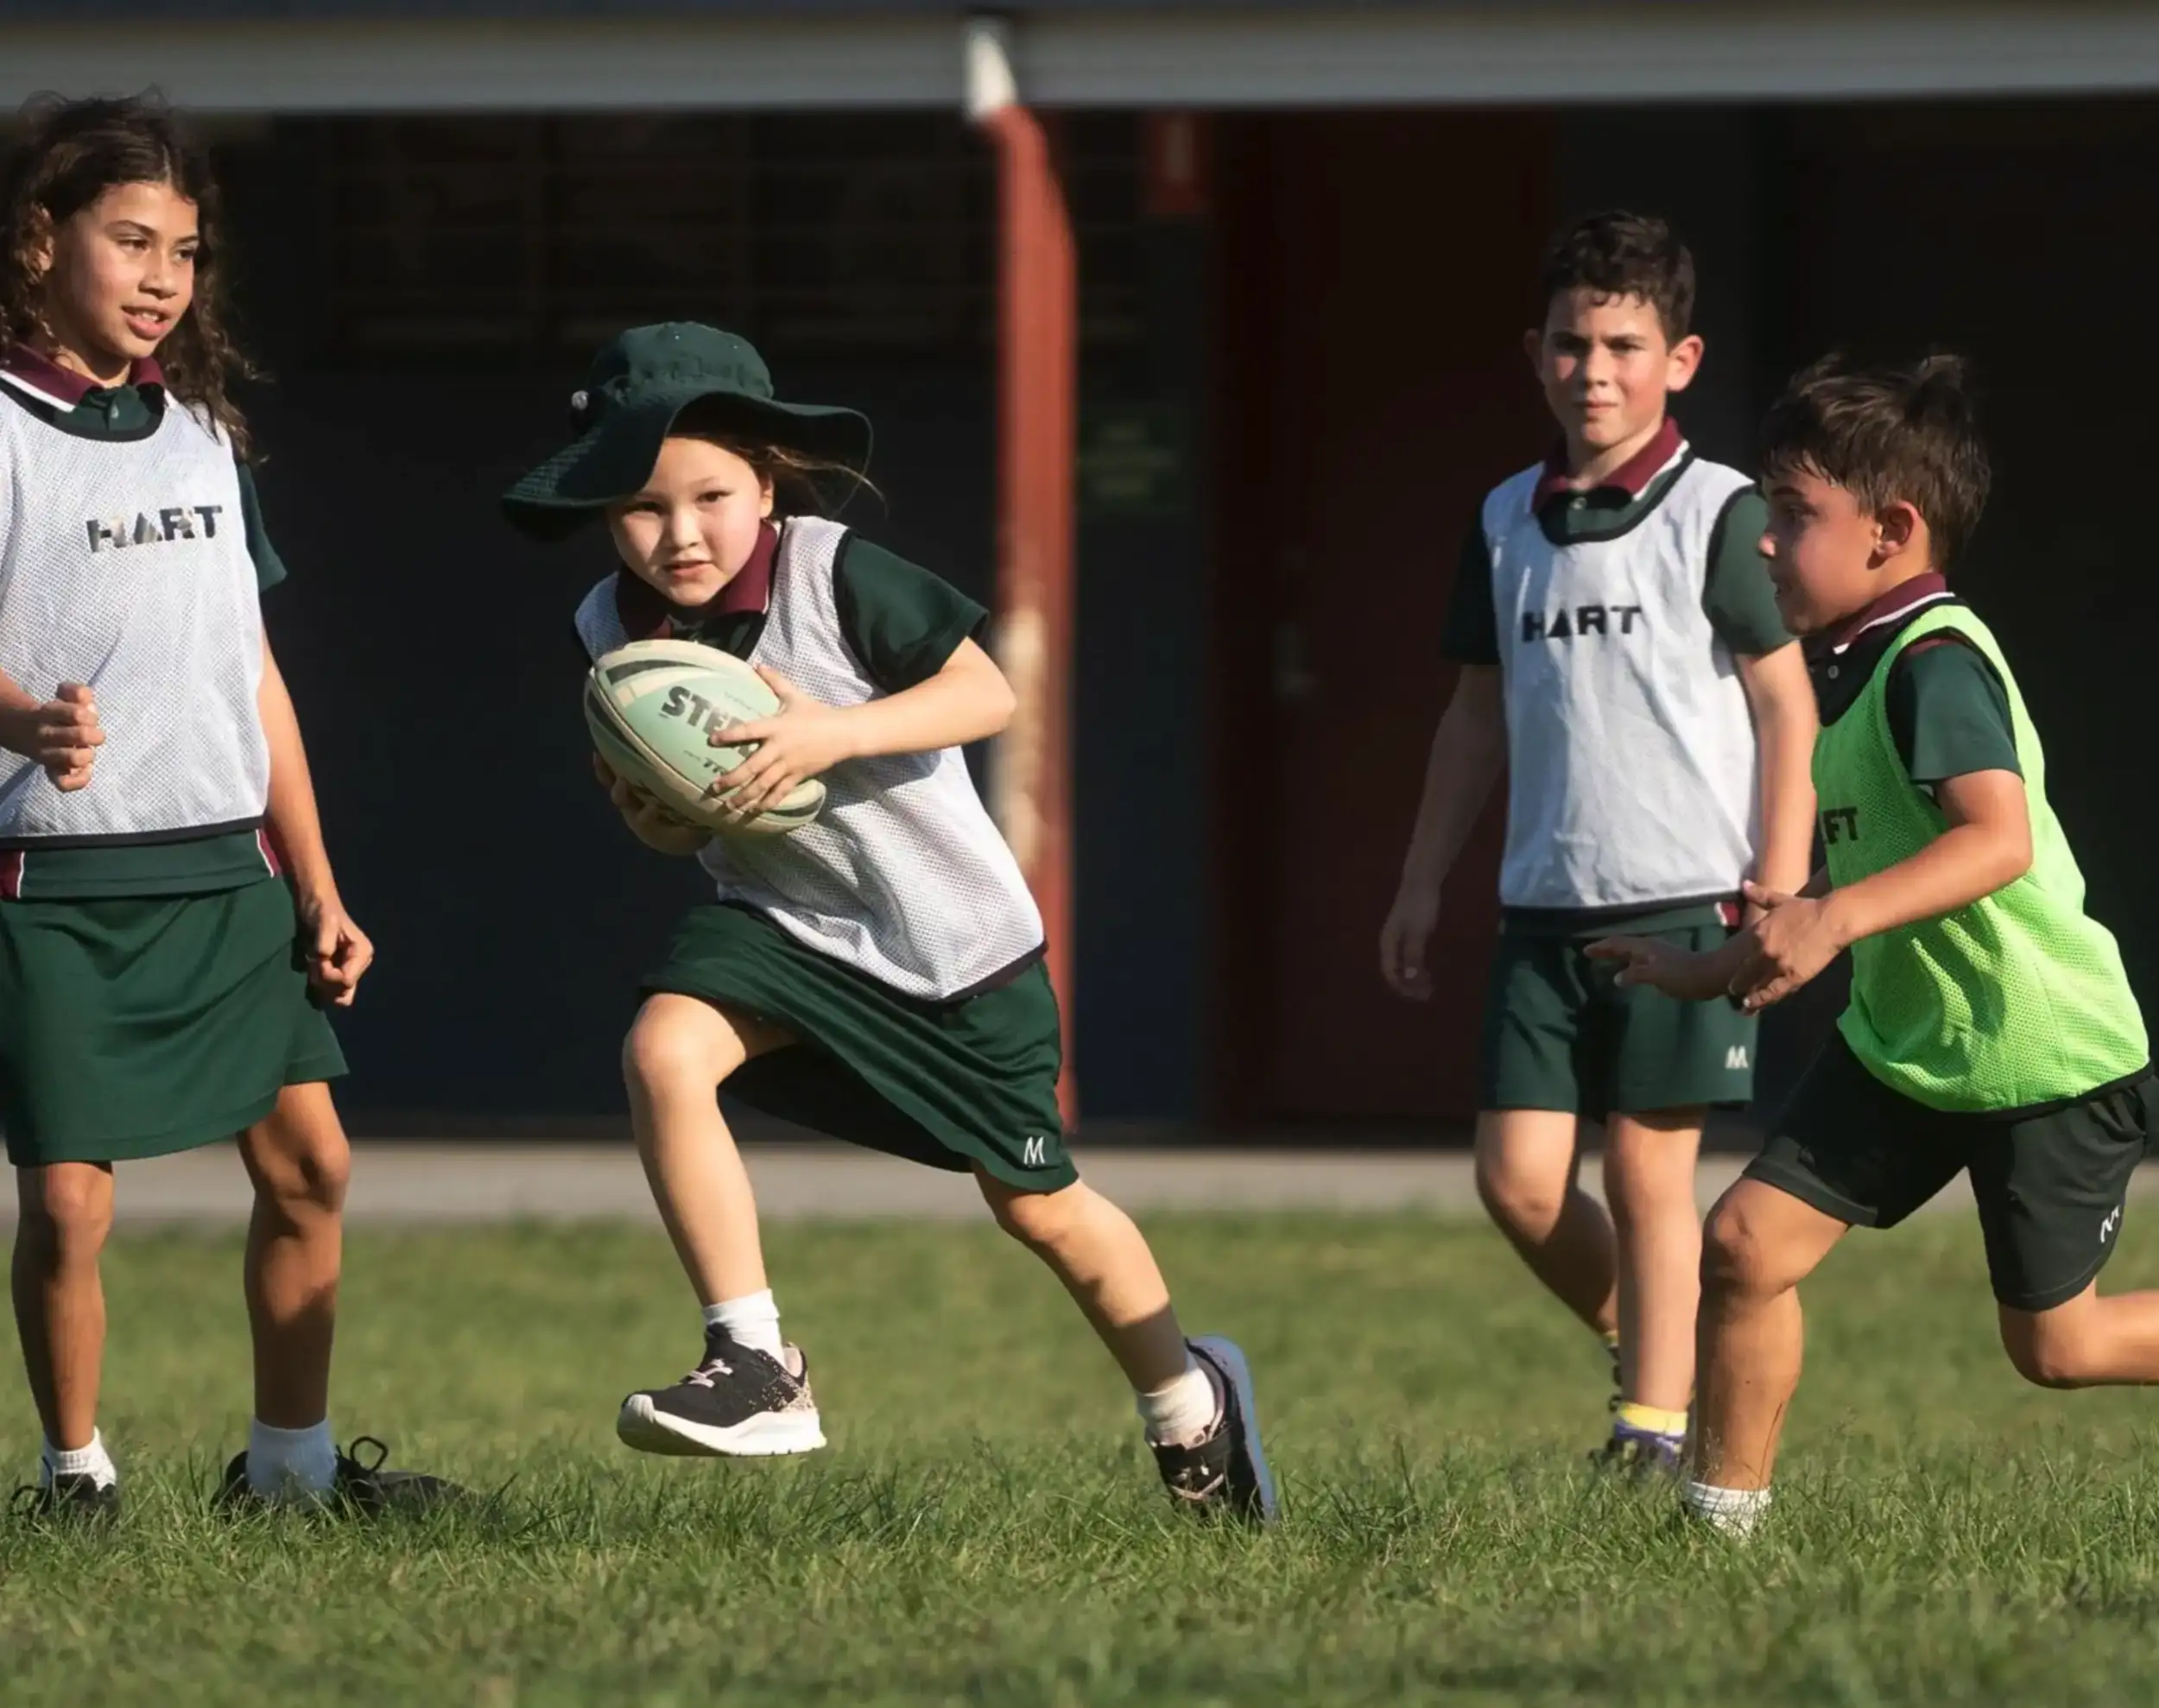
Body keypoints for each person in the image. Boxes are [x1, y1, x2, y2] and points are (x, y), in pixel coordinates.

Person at [503, 322, 1274, 1522]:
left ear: (766, 481)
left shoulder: (834, 571)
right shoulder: (611, 633)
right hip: (783, 926)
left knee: (1040, 1209)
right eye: (644, 509)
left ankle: (1190, 1407)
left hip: (954, 953)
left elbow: (990, 688)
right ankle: (754, 1359)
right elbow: (678, 828)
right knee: (663, 1047)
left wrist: (829, 730)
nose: (681, 533)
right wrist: (654, 814)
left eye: (712, 496)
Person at [1593, 354, 2158, 1537]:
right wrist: (1702, 965)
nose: (1762, 541)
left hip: (2038, 1052)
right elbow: (1821, 899)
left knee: (2059, 1347)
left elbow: (1995, 841)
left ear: (1892, 531)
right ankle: (1718, 1526)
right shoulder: (1844, 669)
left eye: (1793, 515)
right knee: (1743, 1246)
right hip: (1906, 1046)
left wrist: (1836, 916)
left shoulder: (1933, 661)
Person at [0, 95, 452, 1521]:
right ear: (34, 243)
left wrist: (318, 882)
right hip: (55, 883)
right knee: (71, 1203)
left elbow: (249, 670)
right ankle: (75, 1479)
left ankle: (293, 1473)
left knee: (313, 1163)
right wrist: (22, 718)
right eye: (129, 240)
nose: (159, 278)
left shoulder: (202, 434)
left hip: (228, 875)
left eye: (183, 252)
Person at [1379, 211, 1817, 1470]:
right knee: (1516, 1181)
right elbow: (1472, 717)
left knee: (1647, 1173)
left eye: (1626, 344)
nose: (1596, 370)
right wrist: (1421, 877)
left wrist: (1777, 881)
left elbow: (1784, 701)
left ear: (1680, 358)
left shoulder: (1720, 511)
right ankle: (1663, 1342)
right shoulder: (1505, 517)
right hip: (1541, 905)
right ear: (1536, 354)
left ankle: (1652, 1428)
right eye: (1573, 344)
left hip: (1688, 903)